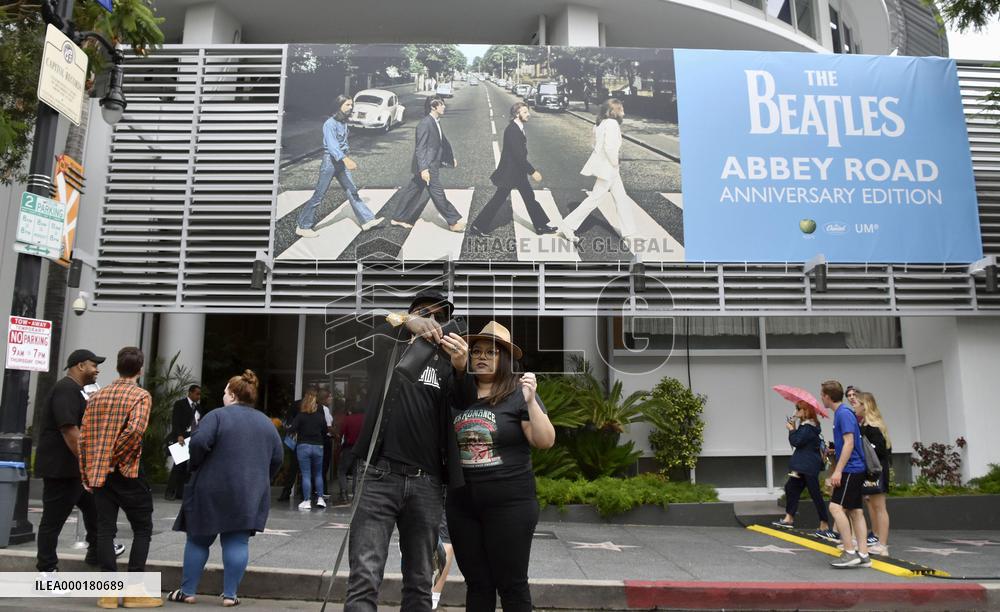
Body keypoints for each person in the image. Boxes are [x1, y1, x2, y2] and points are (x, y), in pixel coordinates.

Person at [345, 288, 470, 612]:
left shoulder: (446, 364)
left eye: (440, 317)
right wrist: (405, 324)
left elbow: (465, 403)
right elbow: (363, 336)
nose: (432, 321)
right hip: (377, 475)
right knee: (364, 576)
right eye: (424, 313)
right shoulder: (389, 347)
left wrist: (460, 367)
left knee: (419, 580)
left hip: (426, 483)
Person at [447, 321, 555, 612]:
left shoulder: (518, 394)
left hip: (510, 504)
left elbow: (544, 440)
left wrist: (532, 403)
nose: (481, 357)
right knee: (478, 585)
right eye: (476, 351)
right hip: (462, 506)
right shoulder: (457, 394)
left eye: (491, 352)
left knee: (512, 585)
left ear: (504, 359)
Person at [167, 370, 283, 606]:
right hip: (248, 491)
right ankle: (230, 595)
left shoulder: (217, 416)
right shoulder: (266, 423)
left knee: (198, 540)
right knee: (237, 542)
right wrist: (260, 479)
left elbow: (199, 442)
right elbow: (278, 458)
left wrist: (196, 464)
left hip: (211, 487)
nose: (223, 395)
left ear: (231, 395)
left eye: (224, 392)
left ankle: (187, 591)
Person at [79, 346, 163, 608]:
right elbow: (135, 431)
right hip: (127, 470)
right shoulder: (140, 396)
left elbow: (84, 438)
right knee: (142, 528)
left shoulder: (97, 396)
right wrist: (115, 457)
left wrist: (88, 472)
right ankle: (135, 590)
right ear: (140, 369)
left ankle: (108, 593)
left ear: (117, 367)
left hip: (100, 474)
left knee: (105, 529)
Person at [35, 349, 104, 575]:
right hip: (61, 470)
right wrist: (87, 463)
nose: (97, 370)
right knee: (53, 522)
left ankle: (97, 551)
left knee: (96, 510)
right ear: (80, 365)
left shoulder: (75, 390)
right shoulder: (66, 389)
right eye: (94, 365)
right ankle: (47, 570)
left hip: (73, 470)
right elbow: (69, 429)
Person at [295, 95, 384, 238]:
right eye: (348, 105)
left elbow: (342, 143)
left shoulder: (343, 122)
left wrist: (345, 156)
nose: (351, 107)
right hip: (331, 161)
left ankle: (367, 220)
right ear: (339, 106)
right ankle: (303, 226)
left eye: (351, 105)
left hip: (341, 161)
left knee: (352, 190)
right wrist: (345, 158)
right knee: (319, 195)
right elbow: (332, 145)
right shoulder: (329, 124)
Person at [557, 98, 638, 246]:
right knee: (595, 199)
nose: (623, 112)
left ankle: (630, 233)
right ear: (613, 111)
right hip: (610, 168)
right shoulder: (612, 124)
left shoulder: (599, 124)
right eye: (621, 109)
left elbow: (593, 145)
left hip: (606, 167)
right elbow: (610, 148)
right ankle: (567, 226)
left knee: (621, 198)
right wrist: (615, 163)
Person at [469, 102, 556, 237]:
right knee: (498, 199)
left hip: (517, 173)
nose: (529, 115)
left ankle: (540, 226)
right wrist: (533, 171)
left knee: (530, 198)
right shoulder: (513, 130)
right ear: (517, 114)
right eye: (525, 112)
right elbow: (519, 156)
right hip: (510, 173)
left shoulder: (518, 127)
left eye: (528, 112)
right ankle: (477, 226)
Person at [390, 97, 466, 233]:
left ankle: (398, 217)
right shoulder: (425, 124)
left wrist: (450, 158)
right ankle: (453, 221)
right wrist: (424, 169)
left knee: (413, 190)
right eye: (441, 105)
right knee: (438, 193)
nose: (444, 107)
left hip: (431, 163)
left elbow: (442, 142)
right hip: (428, 165)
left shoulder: (435, 121)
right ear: (433, 107)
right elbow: (420, 148)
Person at [820, 379, 871, 569]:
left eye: (821, 395)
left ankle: (849, 551)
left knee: (835, 508)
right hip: (854, 468)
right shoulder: (843, 413)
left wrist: (838, 471)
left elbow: (849, 443)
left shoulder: (842, 414)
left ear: (827, 396)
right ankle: (863, 554)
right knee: (855, 511)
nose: (821, 399)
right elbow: (847, 443)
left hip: (851, 469)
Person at [771, 400, 833, 537]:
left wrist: (791, 429)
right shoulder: (806, 426)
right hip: (802, 466)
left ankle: (824, 523)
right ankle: (789, 518)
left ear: (806, 411)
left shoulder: (809, 427)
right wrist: (794, 427)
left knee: (815, 494)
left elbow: (796, 442)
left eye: (798, 409)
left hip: (808, 466)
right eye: (796, 408)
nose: (796, 411)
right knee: (791, 488)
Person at [858, 391, 892, 555]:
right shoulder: (865, 425)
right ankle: (880, 542)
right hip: (873, 470)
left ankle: (882, 544)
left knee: (880, 507)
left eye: (857, 404)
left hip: (877, 471)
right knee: (875, 505)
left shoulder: (873, 427)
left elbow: (881, 450)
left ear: (865, 406)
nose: (854, 406)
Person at [288, 388, 329, 510]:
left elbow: (291, 429)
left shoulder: (300, 416)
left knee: (306, 474)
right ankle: (321, 499)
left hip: (303, 446)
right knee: (318, 474)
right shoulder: (320, 417)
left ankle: (307, 501)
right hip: (318, 446)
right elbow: (325, 431)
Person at [278, 385, 316, 502]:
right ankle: (305, 493)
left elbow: (288, 420)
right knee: (308, 469)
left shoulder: (296, 405)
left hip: (297, 440)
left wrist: (291, 429)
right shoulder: (316, 407)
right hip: (311, 441)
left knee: (293, 468)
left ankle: (286, 492)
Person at [165, 384, 201, 500]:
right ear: (190, 393)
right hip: (182, 438)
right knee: (178, 465)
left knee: (186, 466)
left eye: (199, 394)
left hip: (193, 437)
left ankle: (180, 492)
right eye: (197, 394)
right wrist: (179, 435)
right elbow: (176, 421)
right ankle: (170, 492)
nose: (198, 396)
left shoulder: (198, 407)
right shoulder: (180, 404)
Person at [337, 405, 364, 504]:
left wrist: (339, 444)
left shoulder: (348, 419)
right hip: (361, 449)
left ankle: (344, 495)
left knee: (342, 471)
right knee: (357, 472)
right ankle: (356, 495)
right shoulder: (365, 419)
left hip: (349, 448)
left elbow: (342, 432)